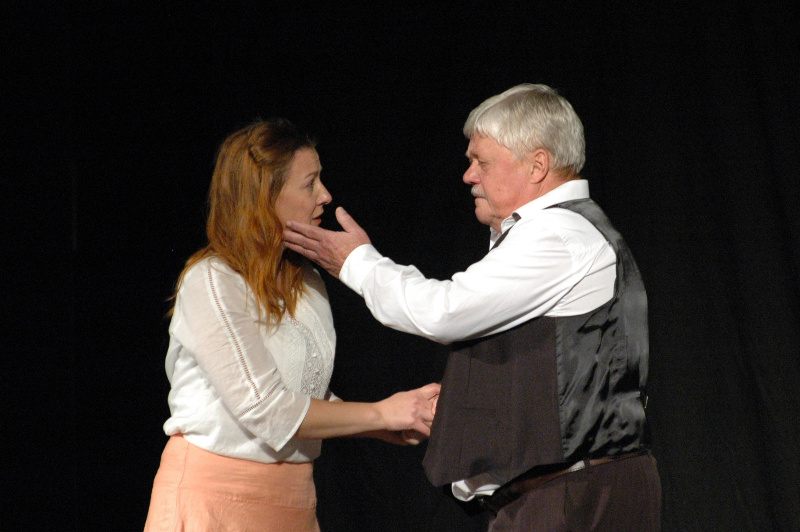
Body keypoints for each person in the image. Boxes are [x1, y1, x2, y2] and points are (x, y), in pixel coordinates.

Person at [283, 84, 662, 531]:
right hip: (561, 495)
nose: (468, 176)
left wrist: (357, 263)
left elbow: (443, 311)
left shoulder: (558, 235)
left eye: (482, 162)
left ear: (537, 165)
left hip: (575, 499)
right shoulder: (551, 232)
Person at [143, 119, 440, 532]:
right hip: (215, 500)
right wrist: (380, 413)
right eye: (310, 183)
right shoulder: (213, 281)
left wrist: (384, 424)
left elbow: (303, 393)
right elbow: (265, 409)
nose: (325, 195)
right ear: (265, 195)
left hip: (293, 501)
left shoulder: (308, 282)